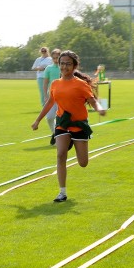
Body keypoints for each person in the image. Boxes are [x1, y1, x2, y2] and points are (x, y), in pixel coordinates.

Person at [31, 50, 106, 203]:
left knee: (83, 163)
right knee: (60, 154)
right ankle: (62, 192)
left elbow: (93, 101)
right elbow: (50, 103)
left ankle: (75, 142)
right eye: (62, 63)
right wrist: (38, 120)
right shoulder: (55, 83)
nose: (65, 67)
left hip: (79, 125)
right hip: (63, 123)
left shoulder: (81, 84)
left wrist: (100, 109)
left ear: (74, 66)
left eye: (68, 64)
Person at [42, 49, 62, 131]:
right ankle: (54, 133)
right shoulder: (48, 68)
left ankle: (59, 135)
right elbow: (45, 83)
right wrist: (45, 96)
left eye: (57, 58)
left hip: (63, 96)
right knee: (49, 117)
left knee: (60, 117)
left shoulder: (64, 68)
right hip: (51, 96)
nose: (55, 60)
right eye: (54, 58)